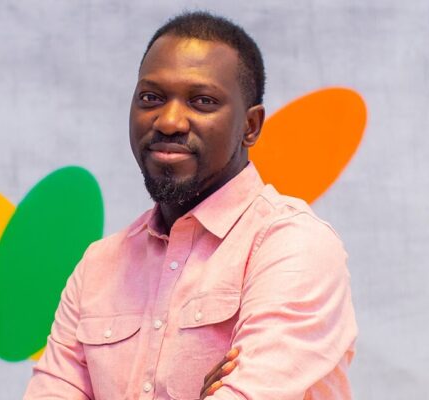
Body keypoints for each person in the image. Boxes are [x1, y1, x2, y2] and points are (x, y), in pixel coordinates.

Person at [24, 11, 357, 400]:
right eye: (151, 98)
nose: (169, 121)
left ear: (251, 126)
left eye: (202, 101)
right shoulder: (98, 267)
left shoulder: (292, 245)